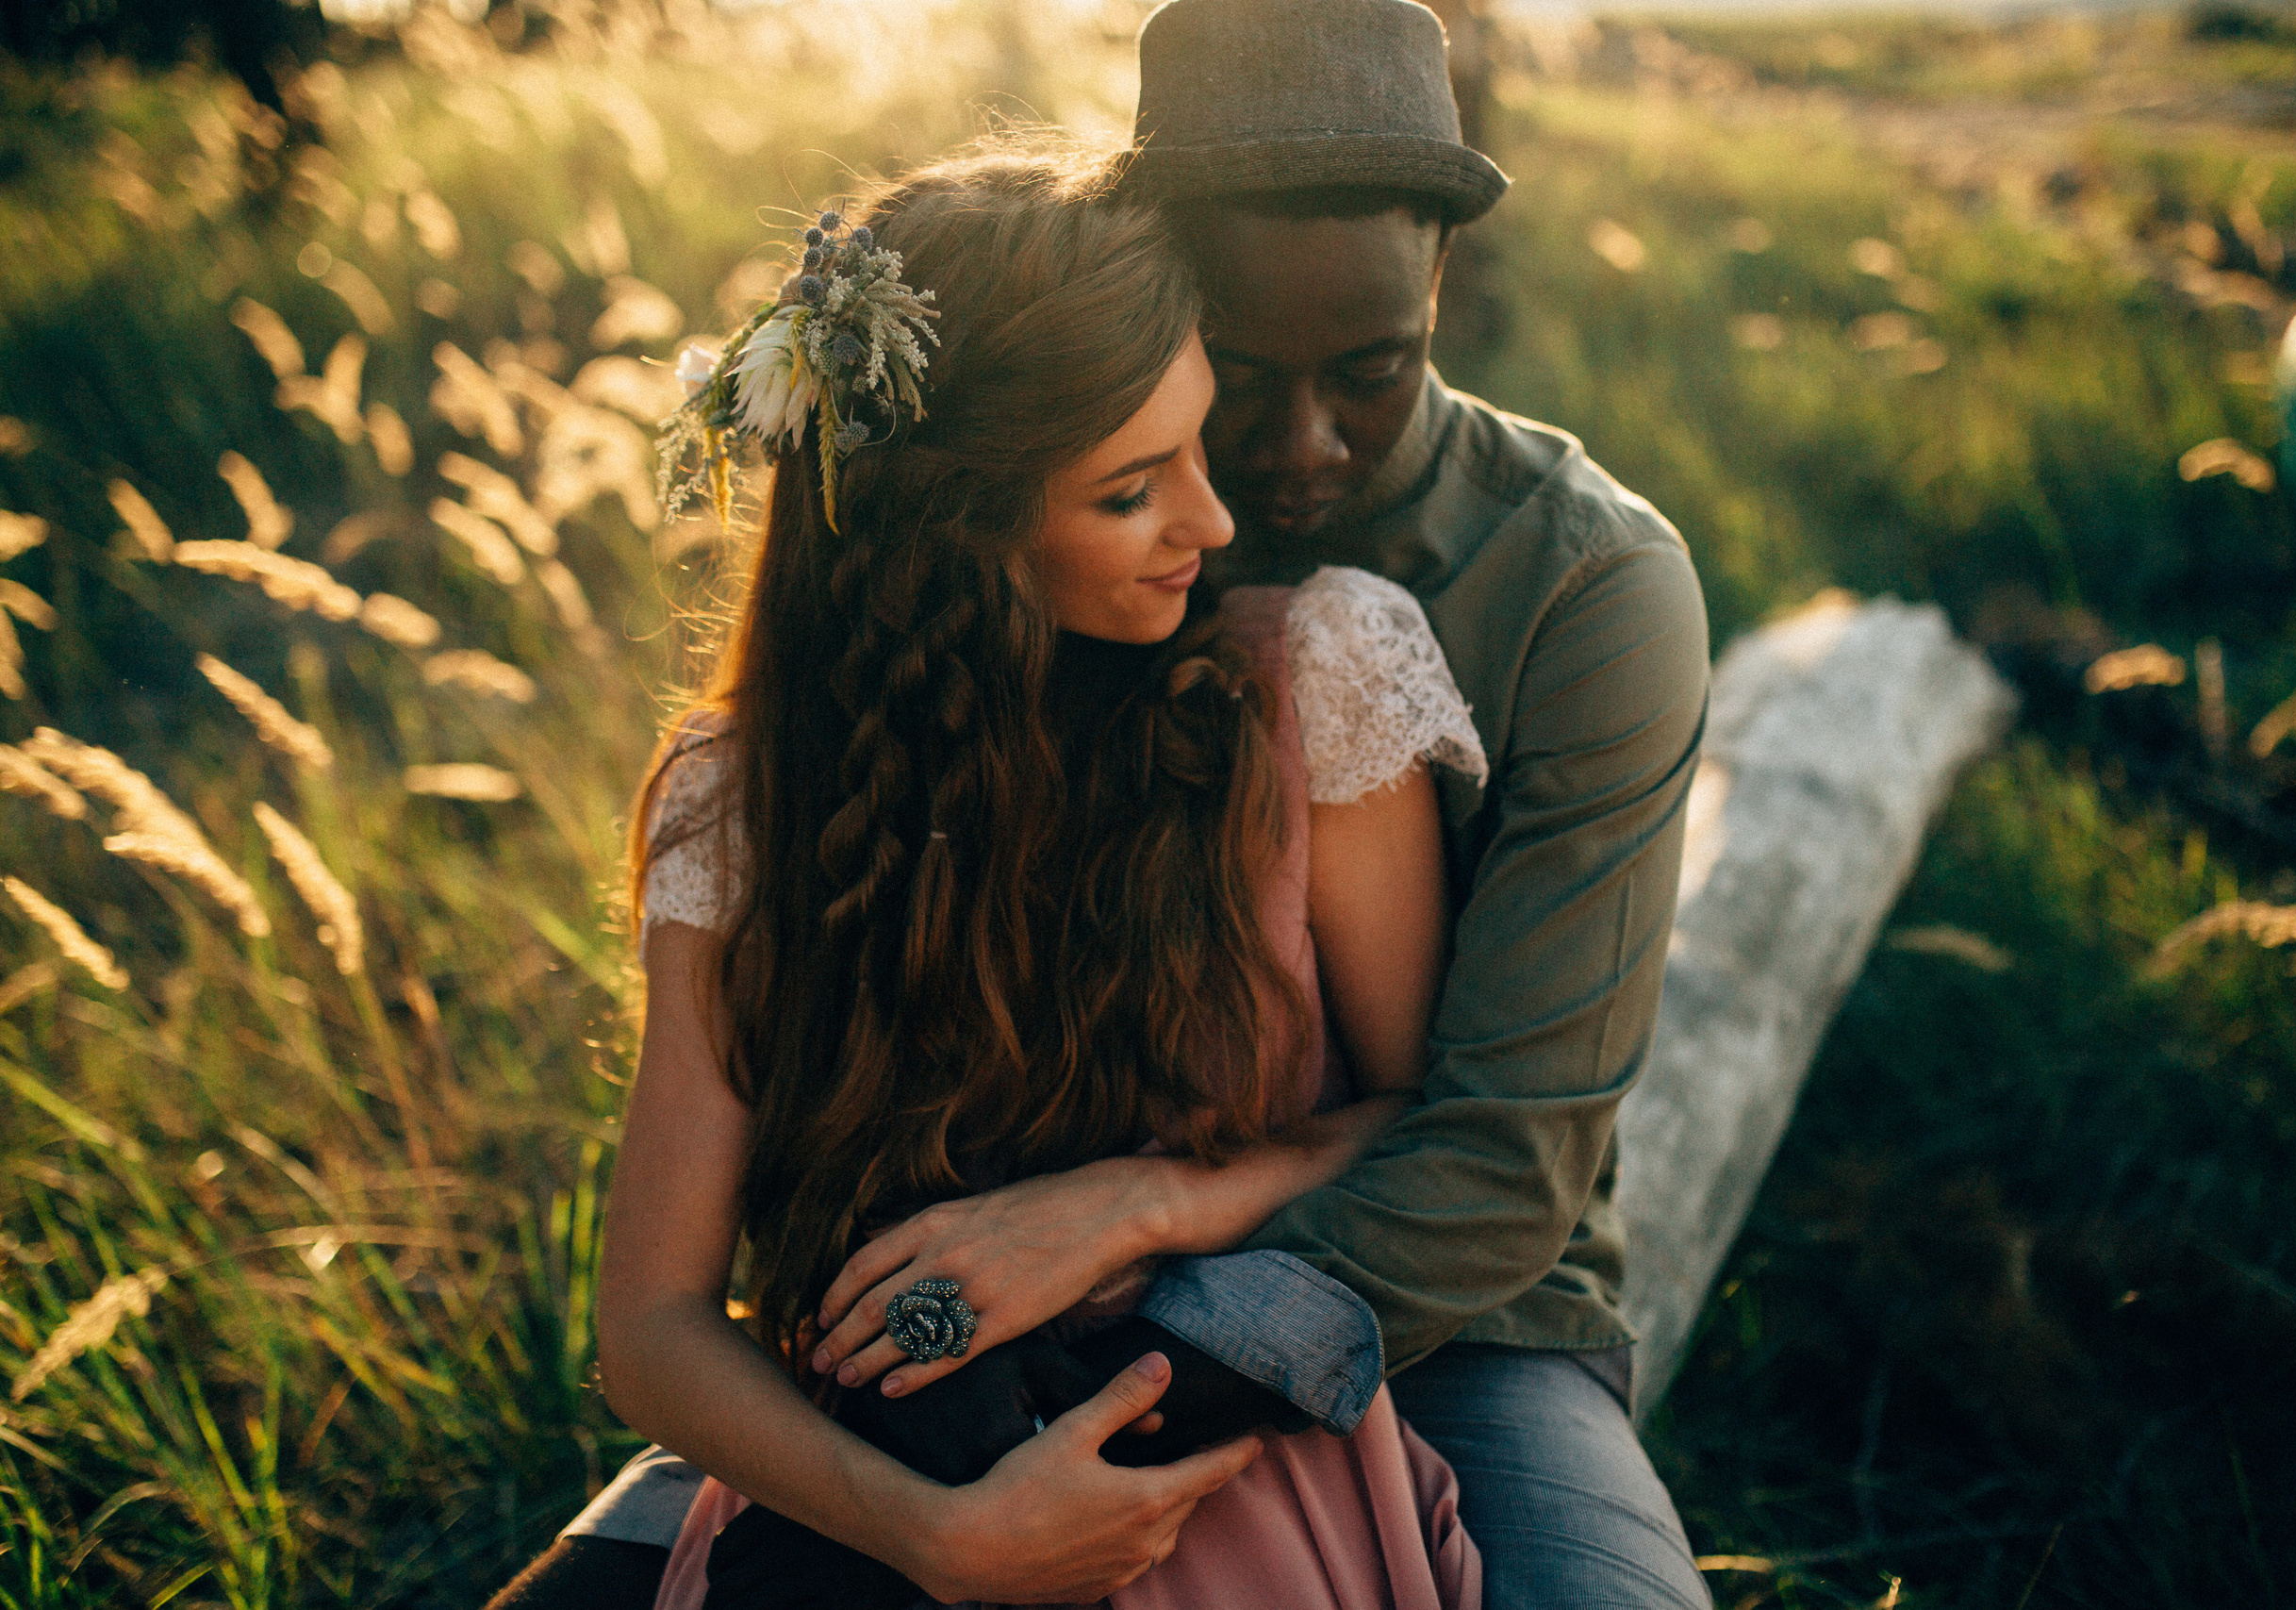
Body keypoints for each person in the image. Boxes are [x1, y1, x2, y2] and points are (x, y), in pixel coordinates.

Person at [494, 2, 1714, 1606]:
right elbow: (670, 1301)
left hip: (1458, 1308)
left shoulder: (1568, 593)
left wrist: (1096, 1300)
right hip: (980, 1340)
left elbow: (1492, 1150)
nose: (1277, 467)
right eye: (1222, 396)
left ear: (1438, 288)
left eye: (1373, 371)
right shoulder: (891, 677)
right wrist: (923, 1457)